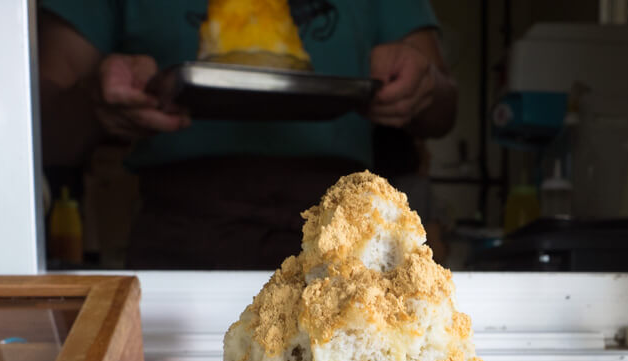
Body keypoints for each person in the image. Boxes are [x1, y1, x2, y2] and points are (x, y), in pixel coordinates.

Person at [37, 1, 457, 269]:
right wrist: (95, 95)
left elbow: (444, 108)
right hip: (182, 240)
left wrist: (424, 84)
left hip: (344, 242)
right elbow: (37, 129)